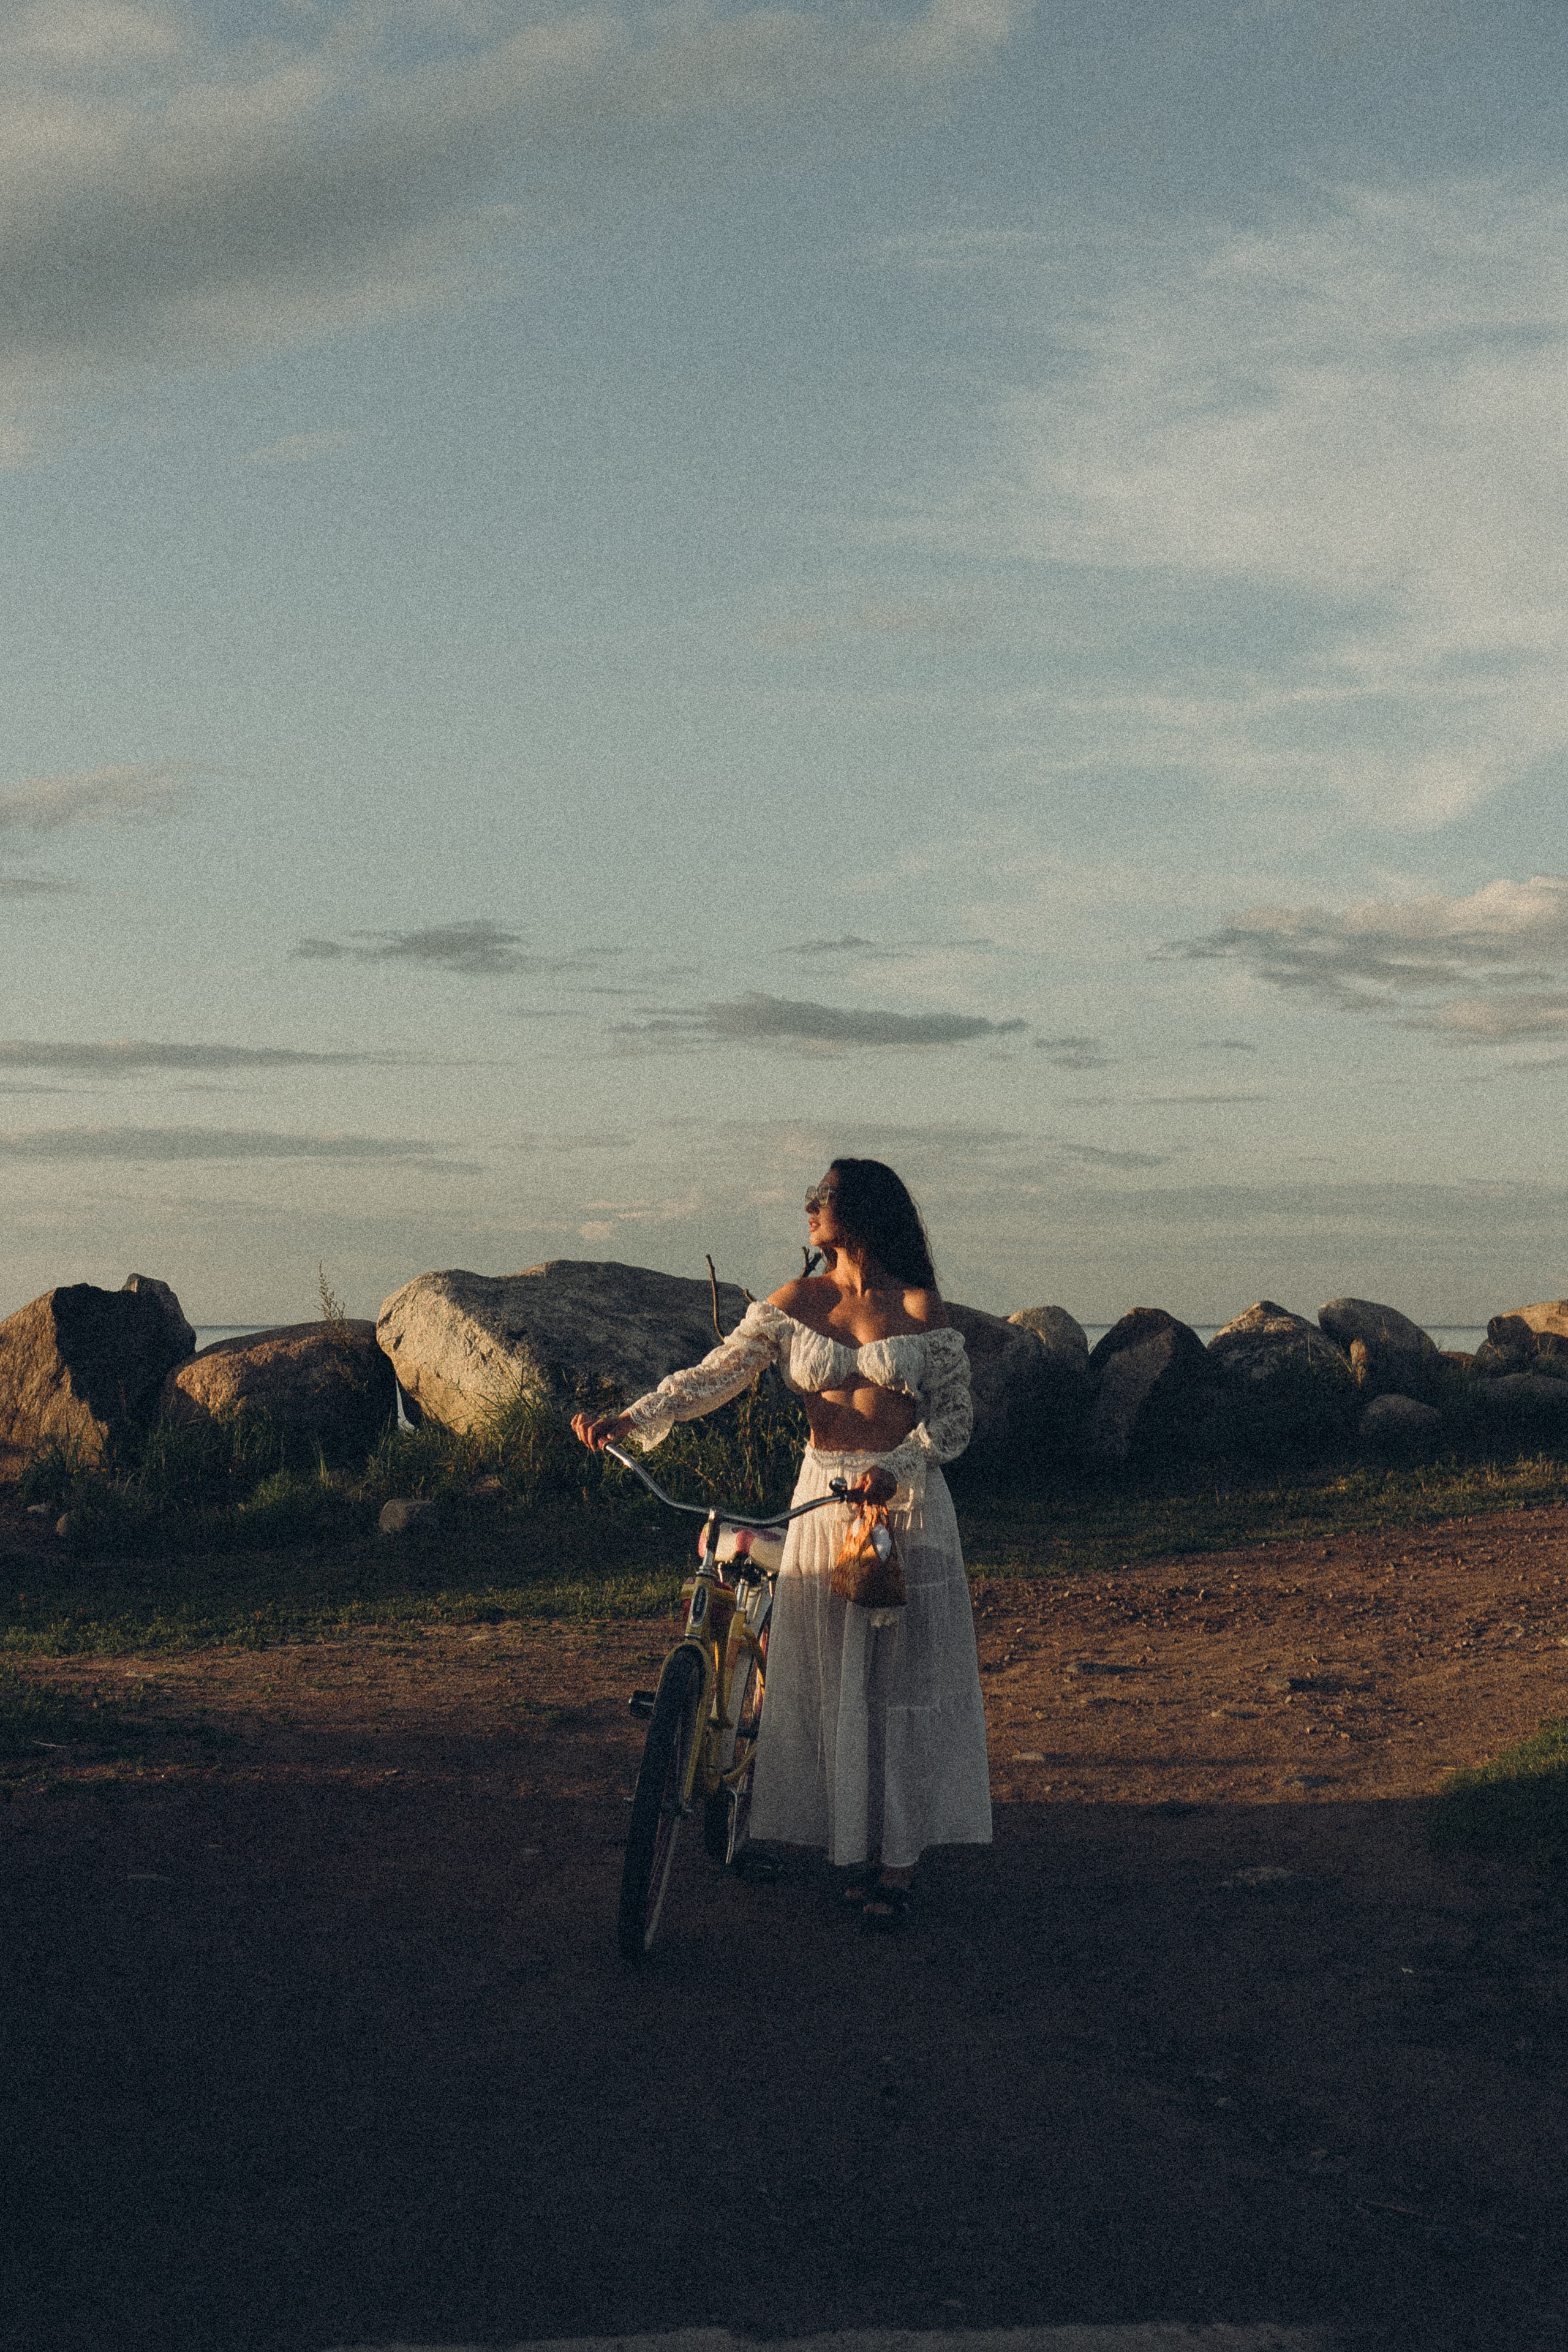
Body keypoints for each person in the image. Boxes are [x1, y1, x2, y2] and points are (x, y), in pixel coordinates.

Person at [572, 1156, 992, 1928]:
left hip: (907, 1506)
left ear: (861, 1209)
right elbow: (714, 1375)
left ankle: (897, 1859)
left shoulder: (920, 1305)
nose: (808, 1209)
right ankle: (853, 1846)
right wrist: (630, 1419)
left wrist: (897, 1472)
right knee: (832, 1683)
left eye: (821, 1198)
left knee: (900, 1688)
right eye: (809, 1199)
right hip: (822, 1501)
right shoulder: (795, 1301)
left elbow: (956, 1420)